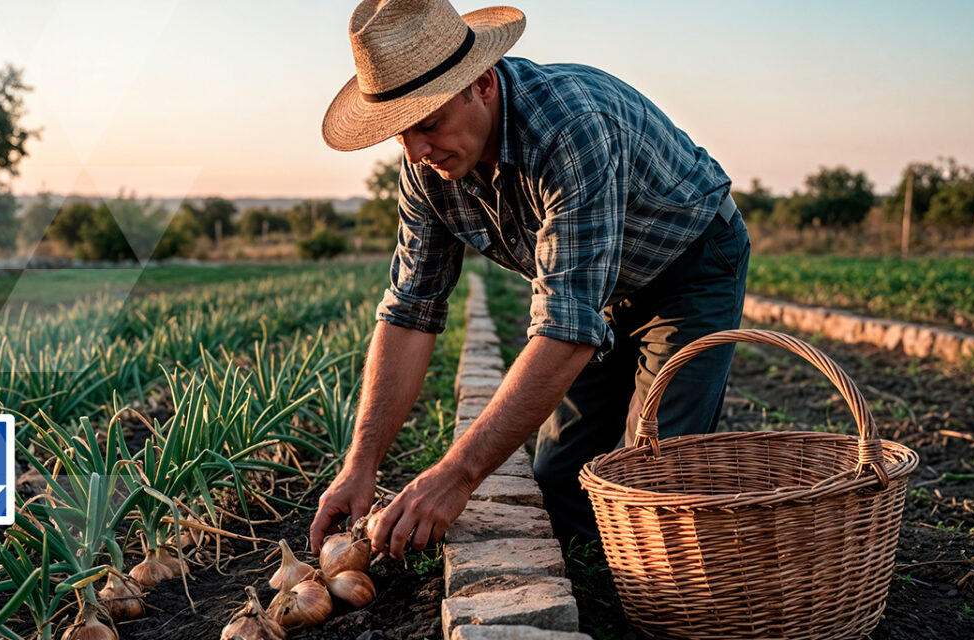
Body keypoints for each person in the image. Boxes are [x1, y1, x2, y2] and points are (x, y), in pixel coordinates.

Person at [309, 0, 750, 559]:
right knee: (557, 483)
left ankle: (666, 585)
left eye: (429, 123)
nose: (416, 151)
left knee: (654, 472)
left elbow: (566, 331)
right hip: (601, 289)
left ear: (483, 85)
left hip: (689, 264)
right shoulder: (427, 167)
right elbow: (410, 310)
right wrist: (360, 464)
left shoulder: (571, 129)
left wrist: (455, 475)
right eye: (401, 133)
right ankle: (600, 575)